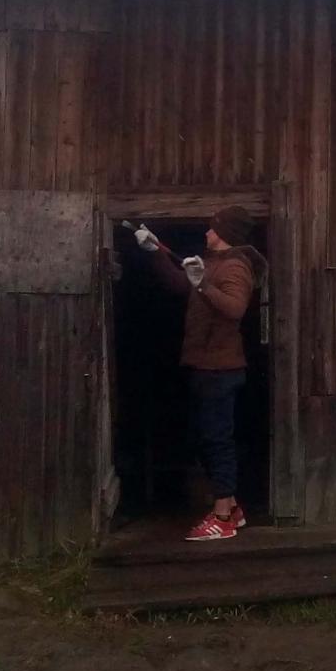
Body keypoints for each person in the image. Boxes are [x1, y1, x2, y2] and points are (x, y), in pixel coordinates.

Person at [133, 206, 266, 542]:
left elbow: (235, 308)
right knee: (207, 437)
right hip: (205, 365)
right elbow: (181, 285)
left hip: (221, 369)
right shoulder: (214, 262)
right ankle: (232, 509)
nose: (206, 232)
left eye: (212, 227)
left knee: (217, 440)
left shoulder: (235, 266)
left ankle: (221, 518)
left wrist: (203, 284)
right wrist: (156, 251)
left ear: (225, 232)